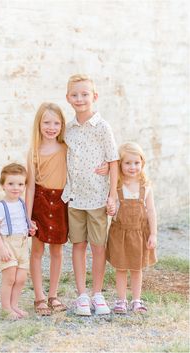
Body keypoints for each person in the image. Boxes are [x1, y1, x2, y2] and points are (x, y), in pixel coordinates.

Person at [61, 74, 119, 316]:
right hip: (75, 198)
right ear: (68, 98)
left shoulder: (103, 127)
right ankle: (82, 295)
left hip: (97, 198)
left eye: (85, 94)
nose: (80, 99)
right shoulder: (68, 129)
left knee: (97, 246)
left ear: (94, 97)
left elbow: (113, 160)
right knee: (78, 245)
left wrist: (112, 195)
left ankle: (97, 293)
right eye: (75, 95)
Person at [26, 102, 69, 316]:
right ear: (39, 124)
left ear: (62, 125)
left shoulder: (65, 148)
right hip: (41, 202)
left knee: (57, 250)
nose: (51, 127)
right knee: (37, 250)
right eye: (46, 122)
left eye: (56, 123)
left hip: (61, 201)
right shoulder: (34, 151)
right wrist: (27, 216)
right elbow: (31, 186)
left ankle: (53, 294)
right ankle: (39, 296)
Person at [106, 142, 157, 314]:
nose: (132, 167)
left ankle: (136, 300)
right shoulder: (116, 186)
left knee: (136, 268)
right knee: (120, 268)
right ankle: (121, 300)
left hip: (139, 234)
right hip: (120, 233)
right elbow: (111, 209)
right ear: (120, 164)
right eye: (128, 163)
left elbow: (151, 211)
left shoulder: (146, 186)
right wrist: (110, 209)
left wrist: (154, 234)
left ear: (142, 162)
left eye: (136, 162)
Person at [0, 163, 36, 319]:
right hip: (7, 245)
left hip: (22, 244)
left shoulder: (22, 204)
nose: (15, 187)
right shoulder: (0, 206)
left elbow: (22, 222)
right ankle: (6, 308)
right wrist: (2, 248)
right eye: (10, 183)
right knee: (9, 278)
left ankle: (14, 305)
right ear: (3, 185)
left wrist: (30, 228)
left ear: (24, 186)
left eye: (20, 184)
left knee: (21, 278)